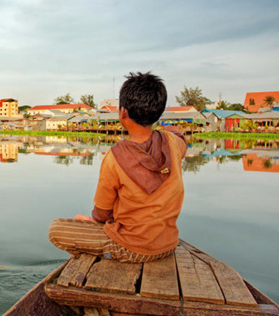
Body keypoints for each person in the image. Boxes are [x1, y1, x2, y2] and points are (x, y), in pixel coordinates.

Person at [48, 72, 187, 263]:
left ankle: (105, 253)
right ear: (158, 112)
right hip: (167, 245)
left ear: (122, 113)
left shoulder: (115, 157)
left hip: (132, 248)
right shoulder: (173, 143)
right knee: (84, 221)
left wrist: (96, 223)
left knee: (56, 229)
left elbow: (101, 214)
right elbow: (179, 135)